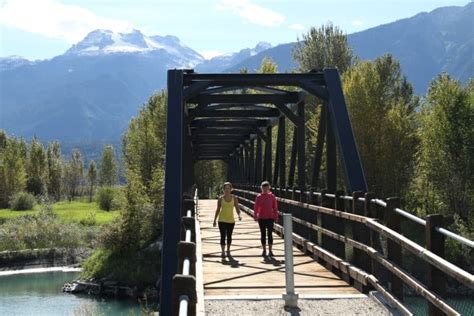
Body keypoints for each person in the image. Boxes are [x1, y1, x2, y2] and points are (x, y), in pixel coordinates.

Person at [213, 182, 242, 258]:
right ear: (223, 189)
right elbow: (218, 209)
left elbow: (237, 208)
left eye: (229, 188)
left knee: (229, 236)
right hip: (222, 220)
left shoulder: (234, 198)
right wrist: (214, 220)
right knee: (222, 236)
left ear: (231, 189)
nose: (227, 190)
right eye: (226, 188)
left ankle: (228, 250)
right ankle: (223, 252)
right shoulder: (220, 198)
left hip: (231, 220)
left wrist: (239, 215)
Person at [254, 181, 279, 258]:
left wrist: (276, 216)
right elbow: (256, 207)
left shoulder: (272, 196)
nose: (265, 189)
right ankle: (264, 249)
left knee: (270, 234)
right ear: (261, 188)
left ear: (269, 188)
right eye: (263, 188)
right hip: (261, 217)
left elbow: (275, 207)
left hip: (270, 217)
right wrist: (255, 215)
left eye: (266, 188)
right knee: (263, 234)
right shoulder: (259, 197)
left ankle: (270, 250)